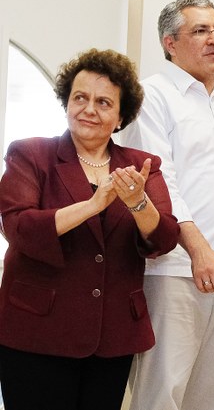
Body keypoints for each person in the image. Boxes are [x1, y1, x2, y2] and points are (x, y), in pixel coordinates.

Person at [0, 48, 179, 410]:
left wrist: (138, 203)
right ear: (66, 102)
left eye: (103, 102)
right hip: (37, 332)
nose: (89, 109)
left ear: (121, 116)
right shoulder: (31, 154)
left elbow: (163, 238)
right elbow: (17, 227)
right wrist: (93, 205)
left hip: (113, 337)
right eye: (80, 98)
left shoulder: (142, 166)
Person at [120, 0, 214, 410]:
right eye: (200, 31)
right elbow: (160, 184)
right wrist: (198, 250)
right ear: (170, 43)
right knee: (163, 394)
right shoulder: (152, 96)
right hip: (175, 269)